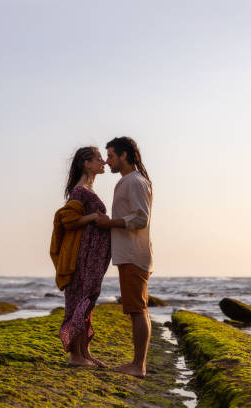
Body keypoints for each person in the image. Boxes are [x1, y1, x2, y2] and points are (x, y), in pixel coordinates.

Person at [95, 136, 153, 378]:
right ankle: (137, 364)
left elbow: (141, 218)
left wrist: (110, 223)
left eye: (110, 156)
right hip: (128, 254)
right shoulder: (127, 181)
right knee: (137, 309)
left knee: (138, 310)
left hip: (134, 254)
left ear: (124, 155)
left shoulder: (135, 182)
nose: (107, 161)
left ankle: (138, 366)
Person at [50, 146, 111, 368]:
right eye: (98, 159)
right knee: (79, 302)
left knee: (88, 302)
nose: (103, 162)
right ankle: (75, 357)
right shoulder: (80, 191)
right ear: (86, 163)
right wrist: (95, 216)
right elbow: (69, 221)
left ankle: (85, 354)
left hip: (92, 256)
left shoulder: (88, 190)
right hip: (82, 256)